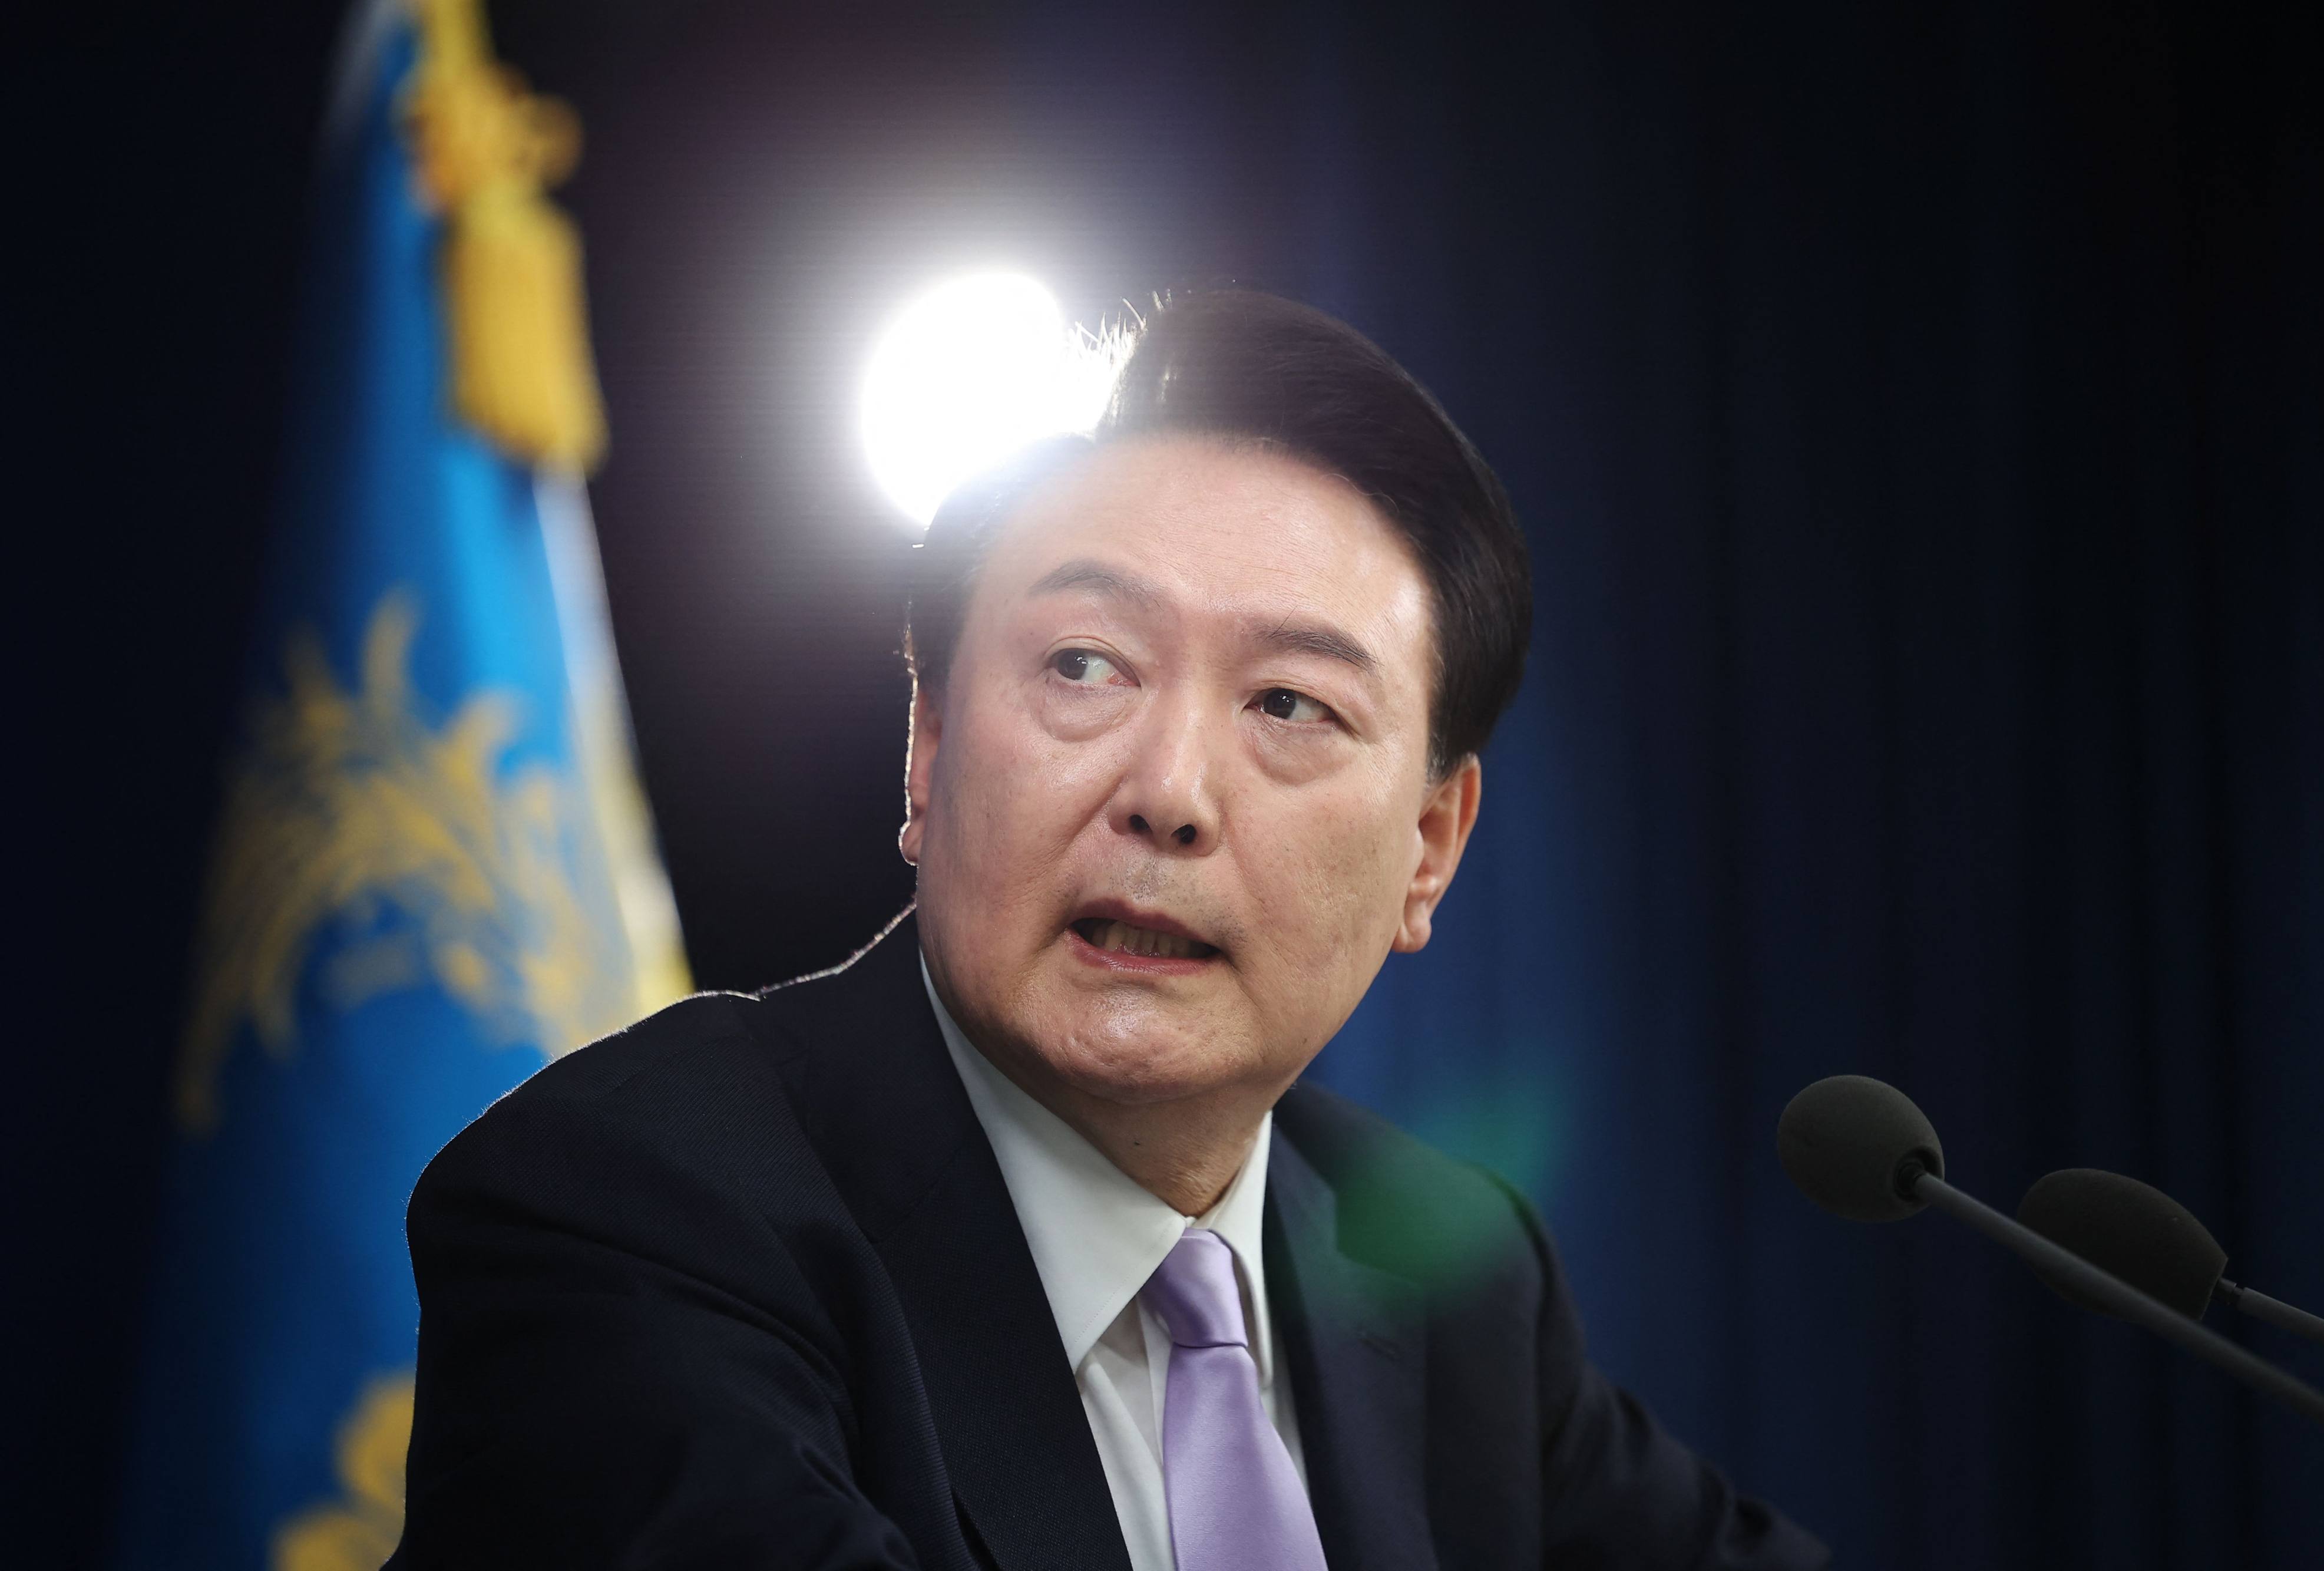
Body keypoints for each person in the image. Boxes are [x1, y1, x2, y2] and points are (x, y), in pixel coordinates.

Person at [389, 290, 1829, 1570]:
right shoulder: (629, 1212)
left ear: (1427, 851)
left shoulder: (1448, 1279)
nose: (1169, 794)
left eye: (1288, 706)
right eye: (1085, 665)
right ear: (927, 746)